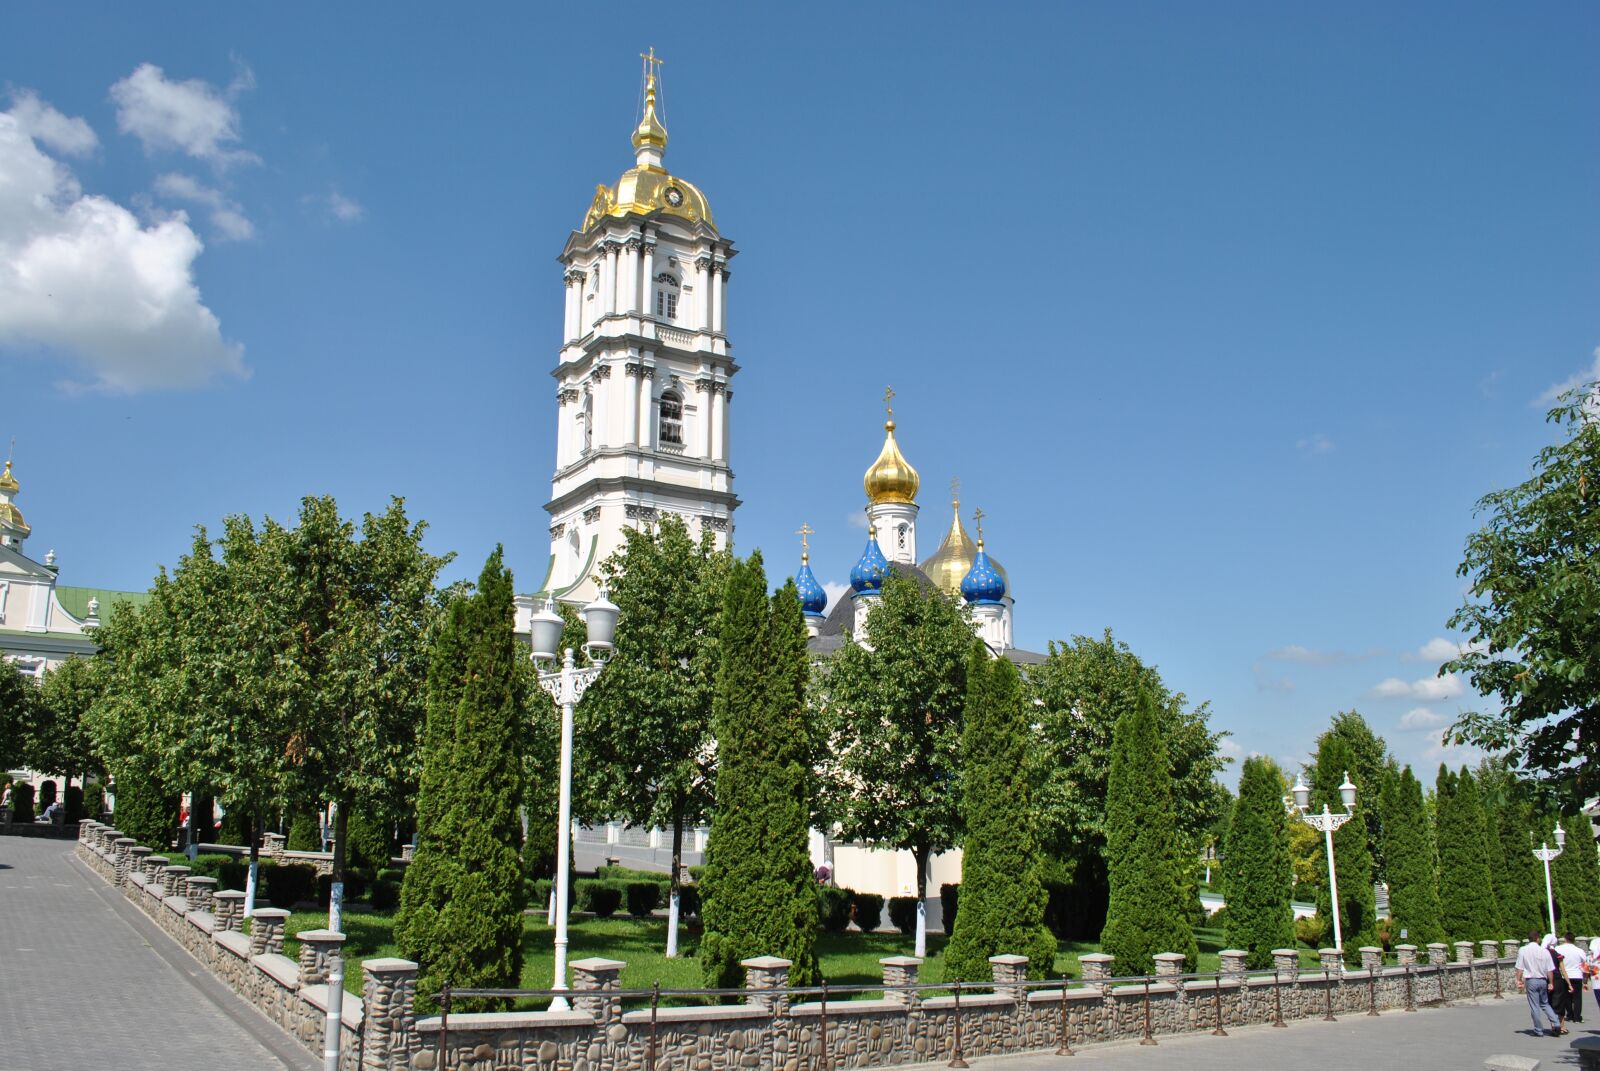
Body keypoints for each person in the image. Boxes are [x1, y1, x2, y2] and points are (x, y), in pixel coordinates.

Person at [1517, 929, 1564, 1037]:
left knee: (1535, 1006)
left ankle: (1538, 1030)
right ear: (1538, 939)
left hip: (1531, 980)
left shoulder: (1523, 950)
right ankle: (1556, 1024)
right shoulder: (1545, 951)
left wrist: (1519, 980)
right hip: (1543, 980)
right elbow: (1549, 970)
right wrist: (1551, 982)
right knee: (1545, 1003)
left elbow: (1520, 967)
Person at [1554, 931, 1586, 1023]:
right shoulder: (1579, 950)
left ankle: (1570, 1014)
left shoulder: (1559, 949)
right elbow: (1584, 962)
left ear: (1565, 939)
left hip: (1564, 975)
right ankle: (1577, 1016)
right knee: (1577, 997)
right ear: (1574, 940)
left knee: (1566, 996)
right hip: (1577, 975)